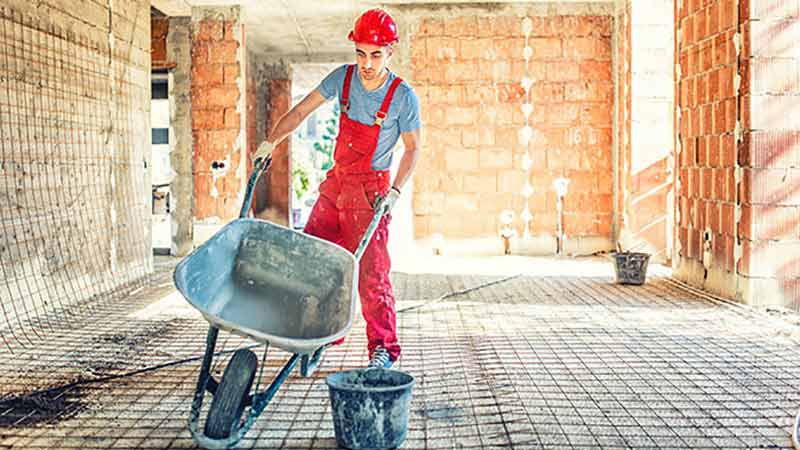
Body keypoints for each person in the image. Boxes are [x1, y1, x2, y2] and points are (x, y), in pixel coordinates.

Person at [252, 8, 421, 369]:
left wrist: (395, 191)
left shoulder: (401, 96)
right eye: (361, 53)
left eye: (376, 54)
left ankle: (382, 348)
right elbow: (299, 113)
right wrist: (270, 143)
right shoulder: (342, 80)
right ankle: (321, 337)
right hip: (336, 185)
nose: (367, 63)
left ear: (390, 51)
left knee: (371, 275)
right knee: (316, 264)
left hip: (371, 193)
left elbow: (413, 148)